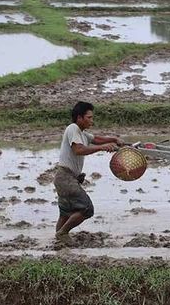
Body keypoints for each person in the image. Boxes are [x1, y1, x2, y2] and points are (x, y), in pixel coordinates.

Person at [53, 101, 123, 244]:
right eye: (89, 117)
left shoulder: (82, 133)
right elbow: (78, 150)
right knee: (86, 209)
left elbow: (96, 139)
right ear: (79, 118)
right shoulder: (73, 128)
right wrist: (103, 148)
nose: (92, 120)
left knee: (65, 213)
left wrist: (114, 139)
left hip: (65, 178)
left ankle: (58, 242)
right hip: (66, 178)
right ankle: (63, 233)